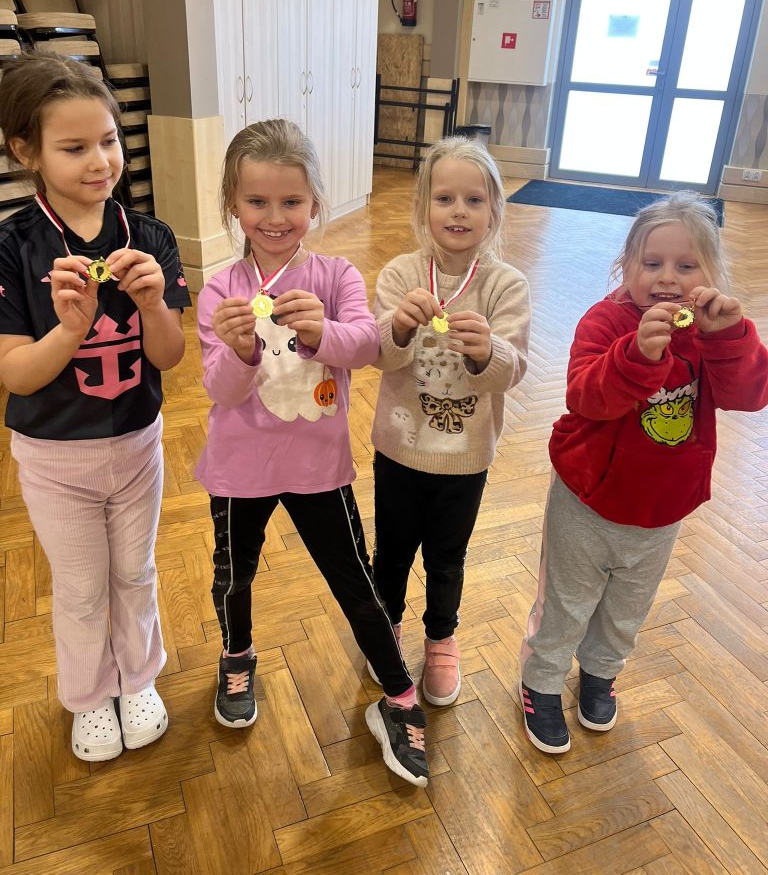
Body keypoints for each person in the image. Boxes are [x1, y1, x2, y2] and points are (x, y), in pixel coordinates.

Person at [195, 118, 429, 787]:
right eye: (257, 202)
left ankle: (399, 694)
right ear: (233, 204)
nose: (274, 218)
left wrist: (320, 329)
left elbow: (367, 346)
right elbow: (219, 389)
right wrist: (241, 349)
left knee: (355, 580)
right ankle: (236, 656)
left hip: (318, 469)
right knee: (234, 575)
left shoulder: (335, 274)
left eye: (291, 202)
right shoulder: (221, 290)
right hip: (239, 469)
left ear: (315, 203)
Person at [519, 192, 768, 754]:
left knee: (628, 606)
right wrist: (635, 355)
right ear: (626, 266)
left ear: (712, 273)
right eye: (652, 263)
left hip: (662, 508)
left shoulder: (712, 331)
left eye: (687, 265)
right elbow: (586, 397)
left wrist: (730, 338)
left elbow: (749, 395)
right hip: (587, 500)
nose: (668, 278)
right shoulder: (605, 320)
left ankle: (601, 671)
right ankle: (542, 680)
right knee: (566, 601)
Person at [0, 53, 190, 760]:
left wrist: (153, 306)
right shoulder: (12, 247)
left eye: (108, 140)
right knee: (80, 589)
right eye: (74, 147)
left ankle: (139, 678)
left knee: (135, 572)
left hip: (136, 445)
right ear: (27, 152)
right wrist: (70, 330)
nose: (99, 161)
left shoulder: (152, 237)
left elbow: (169, 356)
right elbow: (17, 375)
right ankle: (88, 697)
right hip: (54, 459)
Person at [369, 136, 530, 706]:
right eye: (444, 198)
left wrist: (489, 352)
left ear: (494, 211)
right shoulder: (400, 273)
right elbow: (378, 353)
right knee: (391, 552)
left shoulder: (505, 285)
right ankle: (385, 625)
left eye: (474, 200)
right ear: (424, 207)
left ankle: (441, 639)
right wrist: (399, 326)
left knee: (446, 558)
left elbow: (512, 370)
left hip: (465, 457)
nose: (458, 211)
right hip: (399, 448)